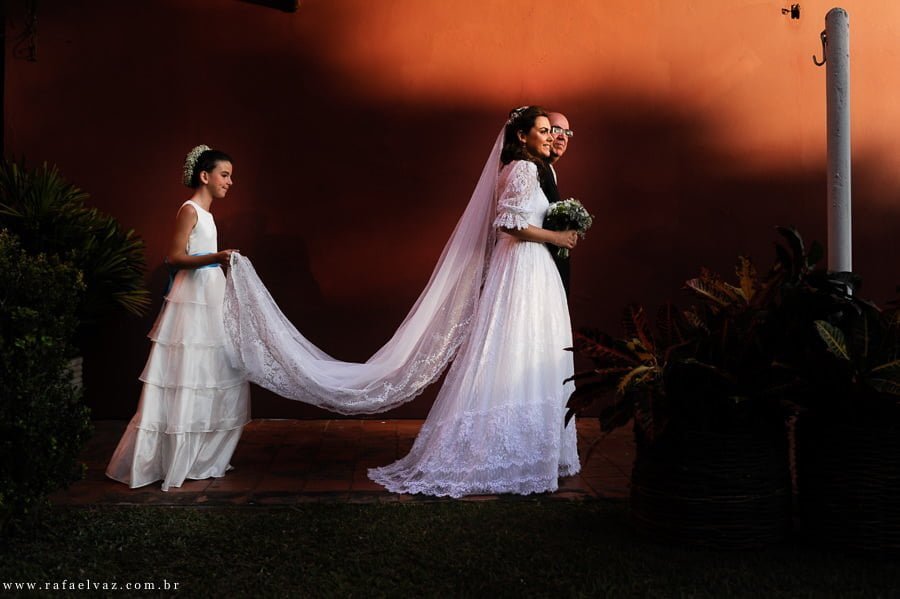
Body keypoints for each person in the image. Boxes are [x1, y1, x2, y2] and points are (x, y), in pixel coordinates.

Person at [367, 106, 581, 497]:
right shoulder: (522, 169)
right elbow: (509, 222)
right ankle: (499, 451)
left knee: (534, 351)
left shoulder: (540, 170)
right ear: (521, 136)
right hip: (522, 267)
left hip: (536, 270)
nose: (551, 137)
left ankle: (532, 450)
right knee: (516, 347)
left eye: (554, 131)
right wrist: (558, 239)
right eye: (544, 130)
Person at [106, 145, 251, 491]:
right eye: (225, 175)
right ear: (205, 176)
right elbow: (173, 257)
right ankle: (175, 457)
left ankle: (204, 456)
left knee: (213, 371)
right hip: (193, 297)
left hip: (210, 293)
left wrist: (218, 261)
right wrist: (216, 256)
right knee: (188, 372)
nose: (230, 182)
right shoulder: (189, 210)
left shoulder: (209, 215)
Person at [543, 111, 574, 293]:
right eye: (557, 130)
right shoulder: (532, 169)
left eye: (567, 133)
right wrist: (557, 237)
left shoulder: (550, 171)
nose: (563, 137)